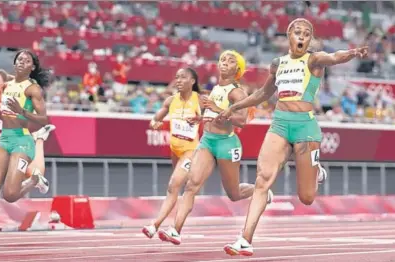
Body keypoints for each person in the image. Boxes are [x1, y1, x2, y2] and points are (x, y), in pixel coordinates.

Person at [220, 18, 368, 256]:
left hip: (305, 129)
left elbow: (334, 57)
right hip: (279, 124)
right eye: (297, 32)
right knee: (262, 180)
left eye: (306, 33)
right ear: (289, 36)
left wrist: (351, 53)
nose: (301, 36)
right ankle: (245, 239)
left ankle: (316, 169)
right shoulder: (278, 64)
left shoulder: (314, 59)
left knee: (307, 197)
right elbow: (262, 93)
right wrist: (233, 108)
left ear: (310, 39)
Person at [157, 50, 273, 245]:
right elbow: (215, 116)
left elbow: (241, 121)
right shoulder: (216, 88)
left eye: (230, 61)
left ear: (238, 69)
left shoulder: (237, 92)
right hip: (207, 141)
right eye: (223, 59)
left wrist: (216, 108)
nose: (225, 62)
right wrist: (201, 118)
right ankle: (175, 230)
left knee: (234, 194)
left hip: (227, 144)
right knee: (191, 185)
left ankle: (260, 191)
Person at [0, 50, 53, 253]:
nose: (21, 62)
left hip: (22, 141)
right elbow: (4, 115)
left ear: (32, 67)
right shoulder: (8, 86)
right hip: (5, 138)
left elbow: (44, 119)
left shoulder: (32, 89)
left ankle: (33, 180)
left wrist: (22, 111)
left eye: (26, 61)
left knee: (9, 194)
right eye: (19, 59)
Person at [142, 67, 201, 239]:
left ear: (192, 81)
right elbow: (156, 118)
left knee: (173, 185)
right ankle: (166, 225)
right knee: (174, 189)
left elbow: (214, 117)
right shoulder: (170, 100)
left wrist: (200, 118)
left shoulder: (200, 100)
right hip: (175, 150)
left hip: (191, 150)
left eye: (183, 77)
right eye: (177, 77)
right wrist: (154, 122)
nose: (179, 80)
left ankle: (155, 225)